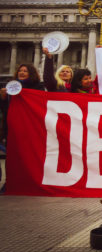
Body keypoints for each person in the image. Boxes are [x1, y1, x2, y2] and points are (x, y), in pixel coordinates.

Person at [0, 63, 44, 193]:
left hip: (30, 129)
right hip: (12, 128)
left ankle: (31, 183)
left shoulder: (38, 87)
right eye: (20, 70)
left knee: (30, 158)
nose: (22, 73)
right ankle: (11, 183)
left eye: (25, 71)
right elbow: (5, 109)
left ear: (31, 73)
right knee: (12, 158)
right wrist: (2, 98)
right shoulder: (9, 88)